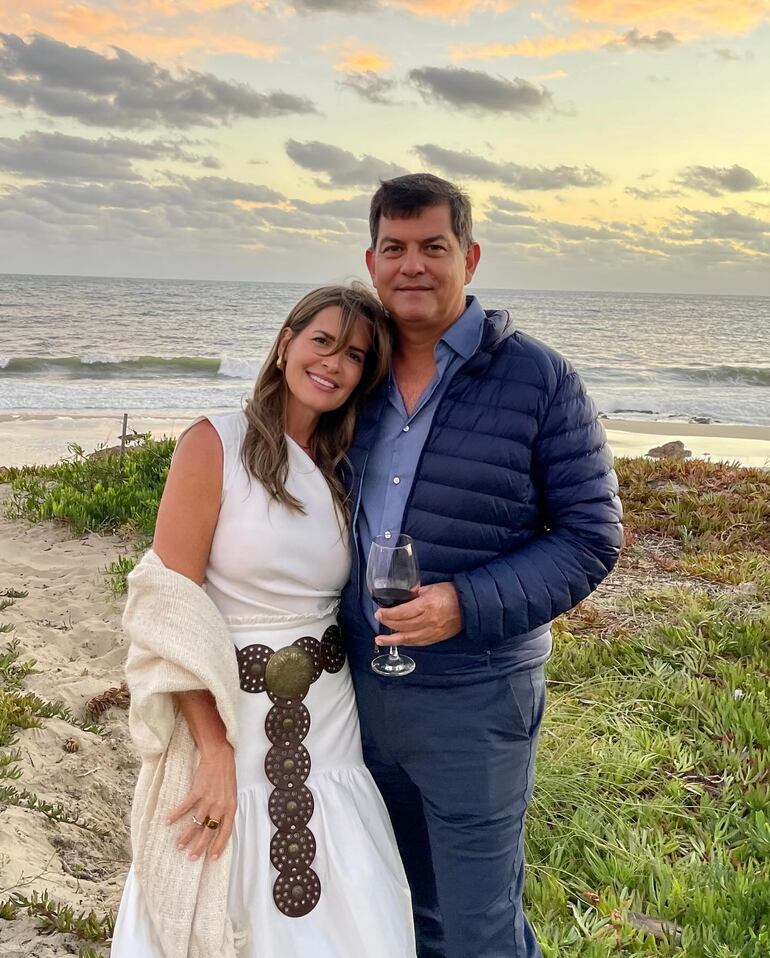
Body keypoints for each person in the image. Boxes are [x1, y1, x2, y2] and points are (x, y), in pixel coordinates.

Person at [339, 174, 624, 958]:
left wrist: (466, 602)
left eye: (433, 247)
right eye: (395, 249)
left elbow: (592, 535)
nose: (413, 266)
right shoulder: (349, 372)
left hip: (477, 692)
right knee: (400, 905)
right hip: (357, 689)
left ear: (469, 256)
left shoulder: (539, 379)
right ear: (371, 261)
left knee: (479, 925)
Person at [111, 284, 416, 958]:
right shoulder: (214, 442)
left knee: (344, 899)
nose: (335, 364)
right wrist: (214, 745)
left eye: (357, 357)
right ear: (286, 344)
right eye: (323, 343)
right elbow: (170, 609)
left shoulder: (345, 469)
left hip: (330, 720)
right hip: (228, 715)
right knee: (219, 870)